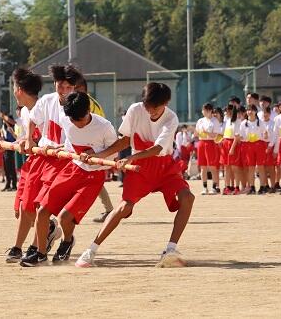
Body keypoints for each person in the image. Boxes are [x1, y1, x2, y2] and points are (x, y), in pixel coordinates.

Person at [75, 83, 195, 268]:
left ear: (166, 103)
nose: (150, 112)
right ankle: (91, 250)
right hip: (140, 169)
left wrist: (132, 156)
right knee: (124, 208)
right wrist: (99, 155)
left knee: (187, 198)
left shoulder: (171, 118)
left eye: (155, 108)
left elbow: (157, 148)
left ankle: (170, 249)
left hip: (164, 166)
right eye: (147, 106)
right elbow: (124, 140)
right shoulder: (135, 110)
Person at [20, 91, 118, 266]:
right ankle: (40, 254)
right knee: (42, 211)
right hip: (72, 168)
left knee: (65, 217)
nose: (75, 124)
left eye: (78, 120)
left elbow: (114, 155)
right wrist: (59, 148)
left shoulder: (104, 127)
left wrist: (97, 154)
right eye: (72, 120)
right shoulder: (68, 119)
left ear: (88, 111)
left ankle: (67, 242)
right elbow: (70, 144)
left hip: (93, 176)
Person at [18, 65, 83, 261]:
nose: (63, 91)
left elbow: (81, 136)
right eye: (60, 86)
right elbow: (32, 120)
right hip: (42, 158)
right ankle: (47, 236)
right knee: (28, 204)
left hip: (64, 162)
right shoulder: (46, 101)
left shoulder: (78, 106)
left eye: (67, 87)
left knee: (44, 207)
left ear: (74, 88)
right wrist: (29, 139)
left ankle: (38, 248)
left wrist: (63, 148)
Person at [5, 67, 59, 263]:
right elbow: (29, 139)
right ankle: (19, 246)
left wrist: (32, 143)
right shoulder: (25, 112)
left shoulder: (43, 107)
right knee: (23, 205)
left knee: (34, 206)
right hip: (32, 162)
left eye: (13, 87)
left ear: (19, 88)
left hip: (47, 161)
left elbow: (47, 137)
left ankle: (38, 243)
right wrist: (22, 141)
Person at [75, 75, 114, 224]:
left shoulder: (89, 105)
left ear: (83, 89)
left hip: (93, 147)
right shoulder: (82, 102)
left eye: (75, 88)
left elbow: (95, 126)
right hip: (86, 146)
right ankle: (109, 209)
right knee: (94, 181)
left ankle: (109, 210)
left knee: (93, 180)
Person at [195, 103, 222, 195]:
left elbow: (216, 135)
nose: (204, 112)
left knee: (212, 166)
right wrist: (198, 134)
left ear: (210, 111)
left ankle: (214, 187)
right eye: (203, 110)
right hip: (201, 143)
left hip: (211, 143)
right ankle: (204, 187)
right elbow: (197, 132)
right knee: (203, 167)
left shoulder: (214, 121)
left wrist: (206, 132)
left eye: (205, 110)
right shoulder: (200, 121)